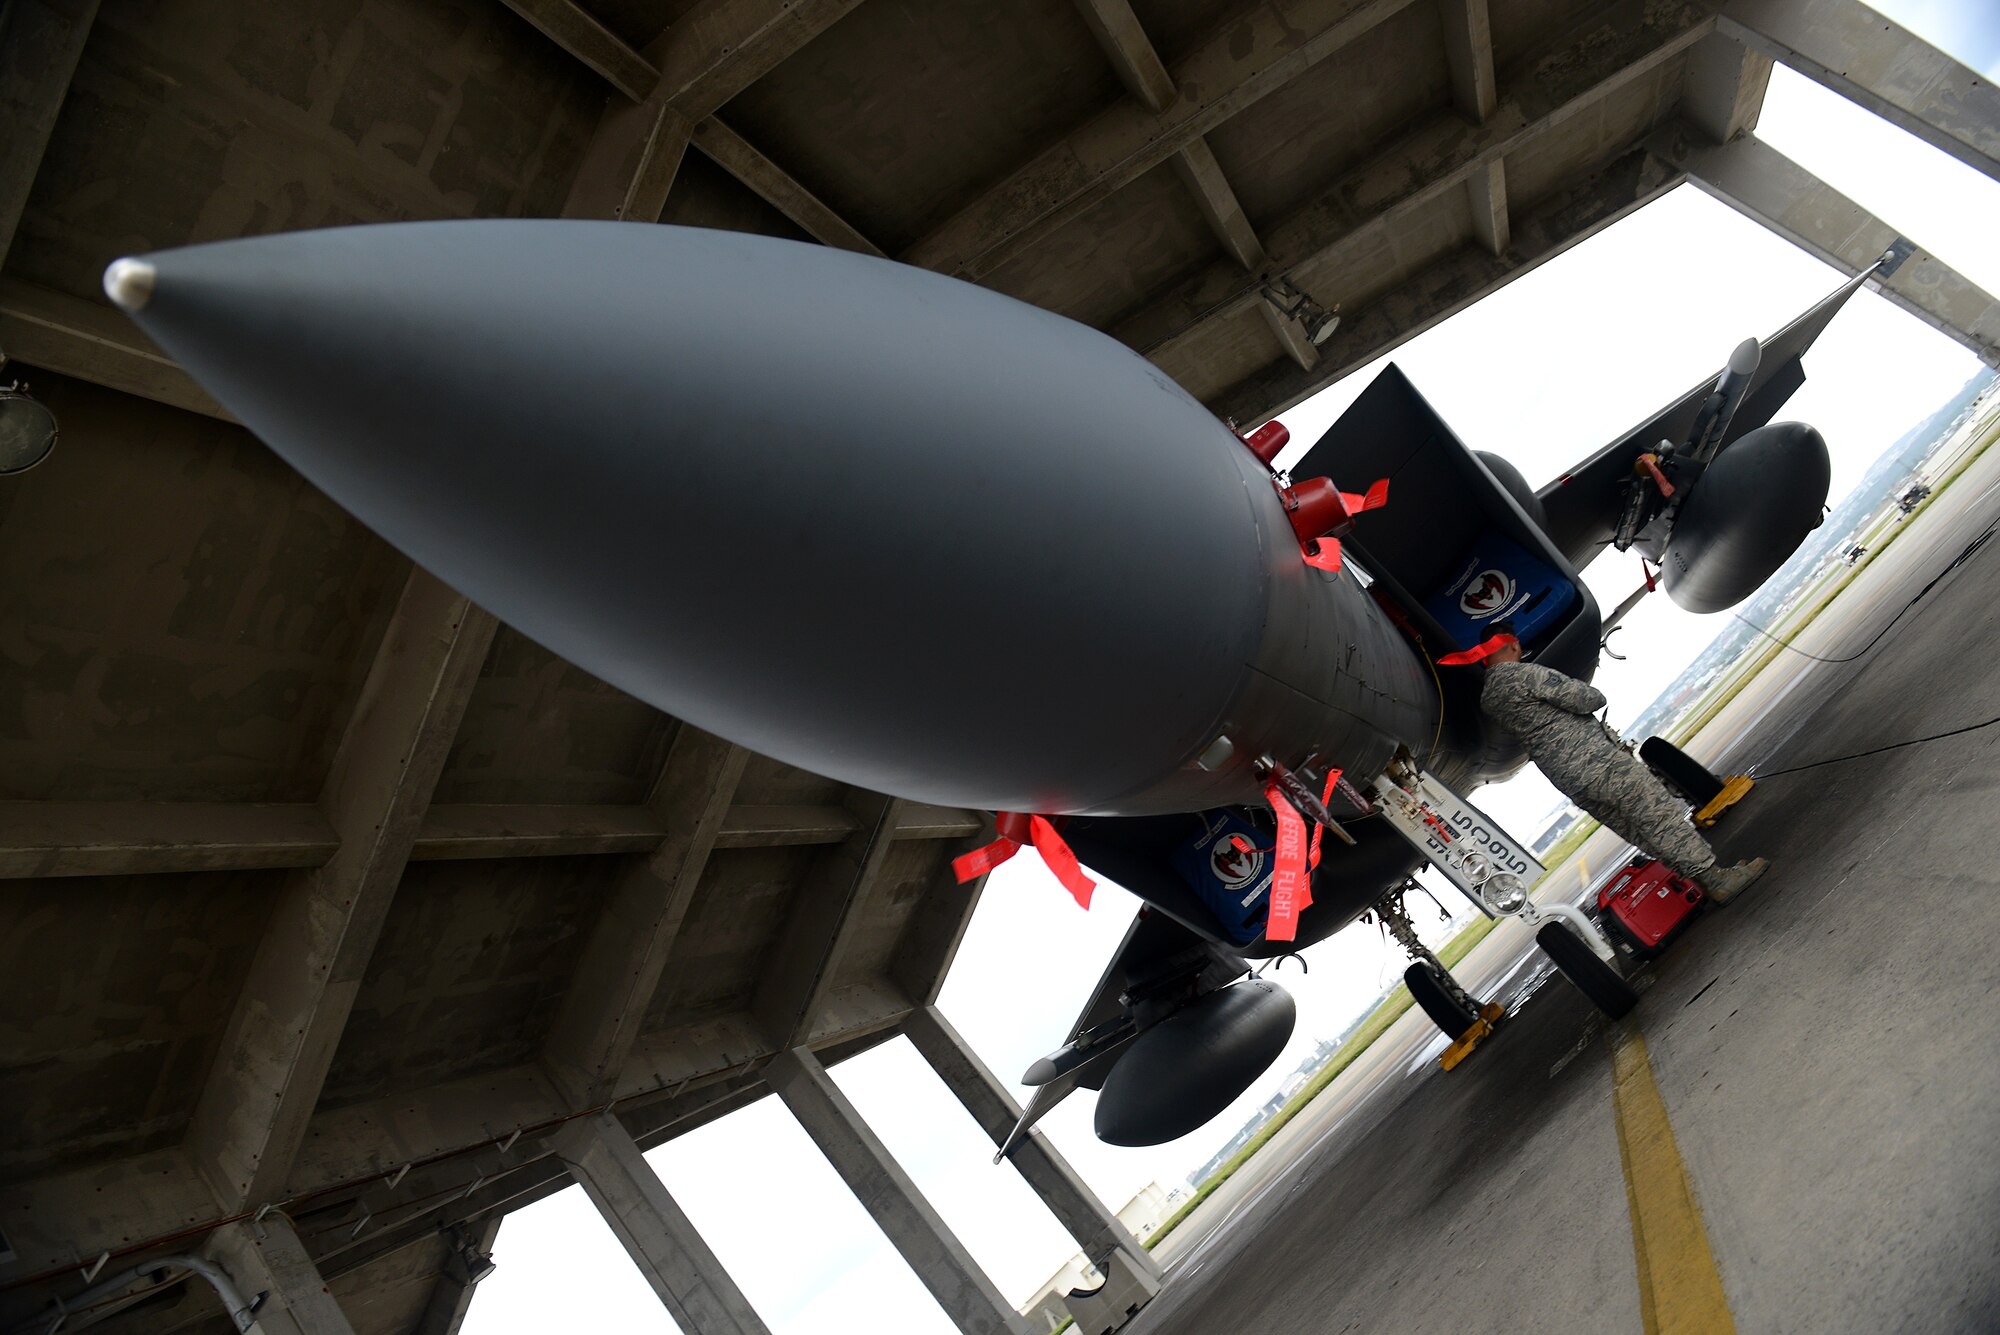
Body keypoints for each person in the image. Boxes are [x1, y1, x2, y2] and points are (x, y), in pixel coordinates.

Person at [1474, 622, 1768, 904]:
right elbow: (1587, 699)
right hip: (1597, 761)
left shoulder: (1490, 697)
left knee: (1637, 830)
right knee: (1658, 816)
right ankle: (1717, 880)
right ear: (1513, 644)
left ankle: (1703, 880)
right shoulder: (1525, 675)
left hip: (1569, 778)